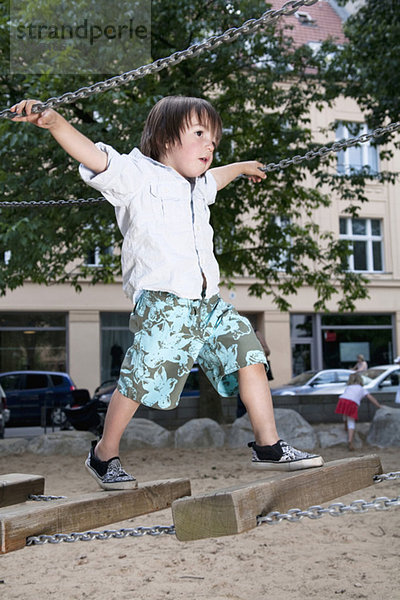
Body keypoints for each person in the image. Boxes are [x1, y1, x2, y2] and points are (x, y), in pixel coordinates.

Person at [11, 95, 324, 489]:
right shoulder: (136, 175)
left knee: (250, 352)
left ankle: (268, 444)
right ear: (164, 138)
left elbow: (216, 178)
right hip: (163, 300)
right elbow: (94, 156)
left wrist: (242, 168)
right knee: (142, 377)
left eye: (213, 139)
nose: (209, 145)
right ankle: (104, 454)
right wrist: (55, 122)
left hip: (208, 302)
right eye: (198, 134)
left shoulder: (197, 185)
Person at [335, 372, 381, 451]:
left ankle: (345, 427)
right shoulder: (362, 389)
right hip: (352, 403)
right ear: (360, 380)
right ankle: (350, 440)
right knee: (351, 421)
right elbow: (371, 398)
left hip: (342, 400)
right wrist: (379, 406)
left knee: (345, 414)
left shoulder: (349, 387)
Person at [236, 328, 273, 418]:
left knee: (260, 398)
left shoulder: (256, 333)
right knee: (243, 400)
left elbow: (267, 351)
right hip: (244, 372)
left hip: (257, 371)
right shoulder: (236, 335)